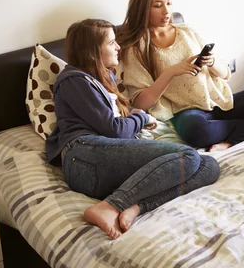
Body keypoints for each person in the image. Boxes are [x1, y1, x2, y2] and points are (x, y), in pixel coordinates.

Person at [45, 19, 220, 240]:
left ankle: (136, 205)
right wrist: (141, 116)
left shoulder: (103, 78)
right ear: (92, 51)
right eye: (111, 43)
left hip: (105, 162)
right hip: (83, 157)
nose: (118, 47)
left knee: (209, 165)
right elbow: (116, 130)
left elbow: (118, 129)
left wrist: (136, 116)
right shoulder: (74, 80)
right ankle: (111, 206)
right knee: (187, 155)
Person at [118, 0, 244, 151]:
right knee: (194, 131)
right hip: (188, 113)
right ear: (142, 8)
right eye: (157, 5)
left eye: (169, 3)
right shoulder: (135, 48)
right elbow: (141, 103)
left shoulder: (187, 31)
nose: (166, 11)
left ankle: (237, 131)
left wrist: (213, 62)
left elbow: (225, 74)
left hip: (220, 103)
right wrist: (171, 72)